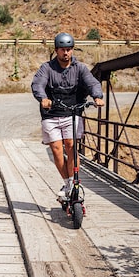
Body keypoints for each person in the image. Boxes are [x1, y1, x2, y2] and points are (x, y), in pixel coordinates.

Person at [31, 32, 104, 201]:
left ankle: (72, 183)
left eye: (69, 49)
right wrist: (43, 99)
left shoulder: (80, 68)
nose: (66, 53)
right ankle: (67, 182)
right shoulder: (47, 68)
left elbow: (92, 82)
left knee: (71, 145)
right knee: (56, 150)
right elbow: (38, 84)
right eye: (63, 49)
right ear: (56, 50)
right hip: (51, 114)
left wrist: (97, 96)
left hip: (72, 112)